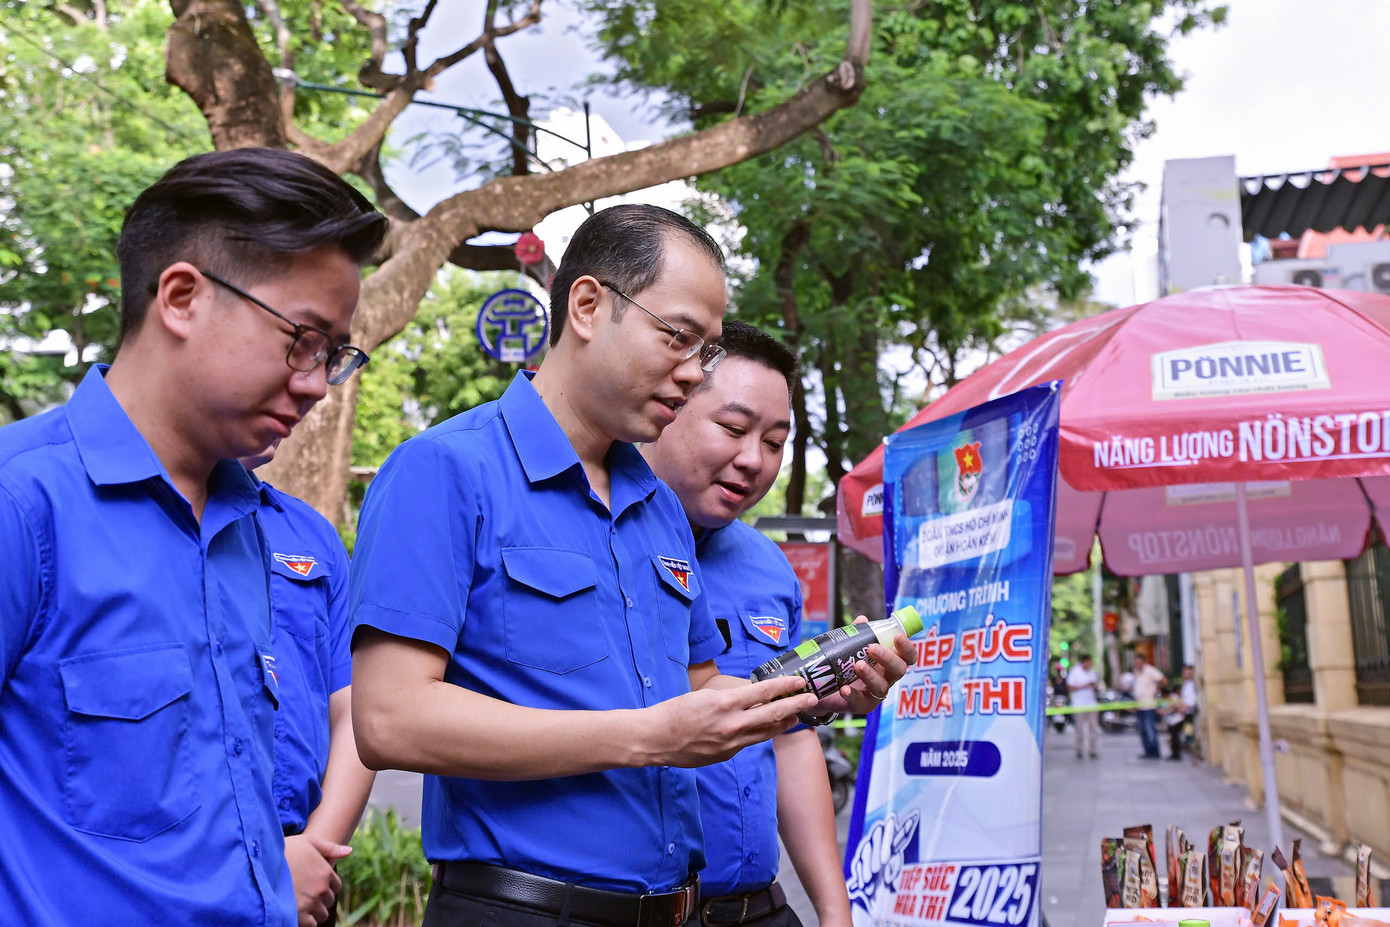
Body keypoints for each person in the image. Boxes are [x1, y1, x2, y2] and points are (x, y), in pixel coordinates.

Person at [349, 204, 822, 927]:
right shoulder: (447, 469)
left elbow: (696, 691)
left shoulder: (658, 504)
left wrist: (811, 687)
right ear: (589, 305)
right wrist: (647, 736)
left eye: (708, 350)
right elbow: (390, 717)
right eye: (679, 337)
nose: (695, 373)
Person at [0, 148, 386, 925]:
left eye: (333, 355)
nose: (316, 383)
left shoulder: (251, 526)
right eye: (301, 340)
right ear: (181, 297)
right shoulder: (23, 502)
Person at [640, 321, 917, 927]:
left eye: (774, 442)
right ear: (668, 404)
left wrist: (834, 911)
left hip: (760, 905)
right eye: (734, 429)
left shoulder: (768, 564)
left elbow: (791, 737)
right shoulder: (605, 537)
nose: (753, 460)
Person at [242, 440, 378, 927]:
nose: (312, 387)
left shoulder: (310, 534)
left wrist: (312, 857)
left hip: (306, 865)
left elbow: (356, 715)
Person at [1130, 652, 1168, 760]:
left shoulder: (1150, 671)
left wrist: (1156, 691)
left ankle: (1154, 751)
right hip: (1140, 706)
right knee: (1142, 730)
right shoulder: (1136, 673)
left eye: (1139, 663)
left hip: (1149, 706)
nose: (1137, 665)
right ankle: (1147, 751)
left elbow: (1163, 680)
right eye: (1136, 663)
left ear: (1143, 662)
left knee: (1150, 729)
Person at [1066, 654, 1101, 759]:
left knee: (1093, 728)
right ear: (1084, 662)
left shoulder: (1092, 673)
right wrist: (1082, 686)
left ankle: (1093, 749)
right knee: (1079, 728)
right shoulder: (1075, 672)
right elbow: (1069, 687)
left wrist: (1093, 686)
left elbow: (1096, 685)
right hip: (1079, 704)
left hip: (1091, 703)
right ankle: (1079, 749)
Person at [1167, 664, 1199, 762]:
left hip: (1188, 714)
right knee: (1177, 730)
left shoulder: (1191, 685)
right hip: (1185, 712)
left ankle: (1177, 752)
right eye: (1185, 672)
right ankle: (1177, 751)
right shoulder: (1186, 684)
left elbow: (1191, 701)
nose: (1186, 674)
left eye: (1188, 673)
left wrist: (1183, 709)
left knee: (1176, 730)